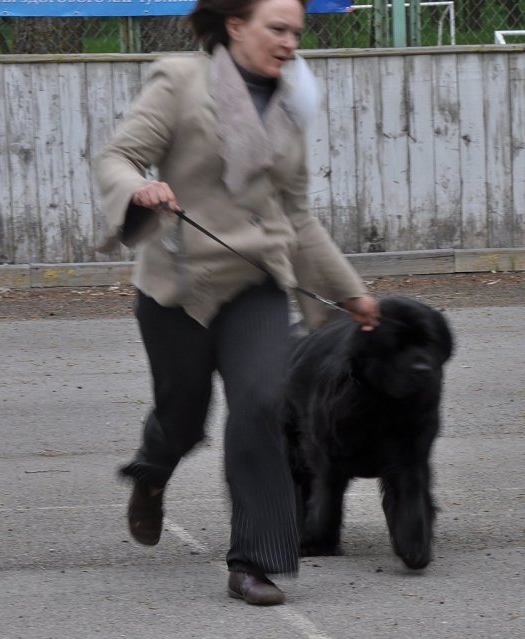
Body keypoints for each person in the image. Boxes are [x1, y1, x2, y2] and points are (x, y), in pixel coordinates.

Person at [95, 0, 379, 607]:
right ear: (235, 26)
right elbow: (117, 157)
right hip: (179, 285)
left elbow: (297, 216)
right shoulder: (180, 81)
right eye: (276, 28)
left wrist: (351, 291)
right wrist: (140, 189)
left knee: (260, 402)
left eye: (296, 32)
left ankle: (255, 560)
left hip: (257, 281)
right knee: (183, 417)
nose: (288, 42)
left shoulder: (292, 107)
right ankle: (152, 472)